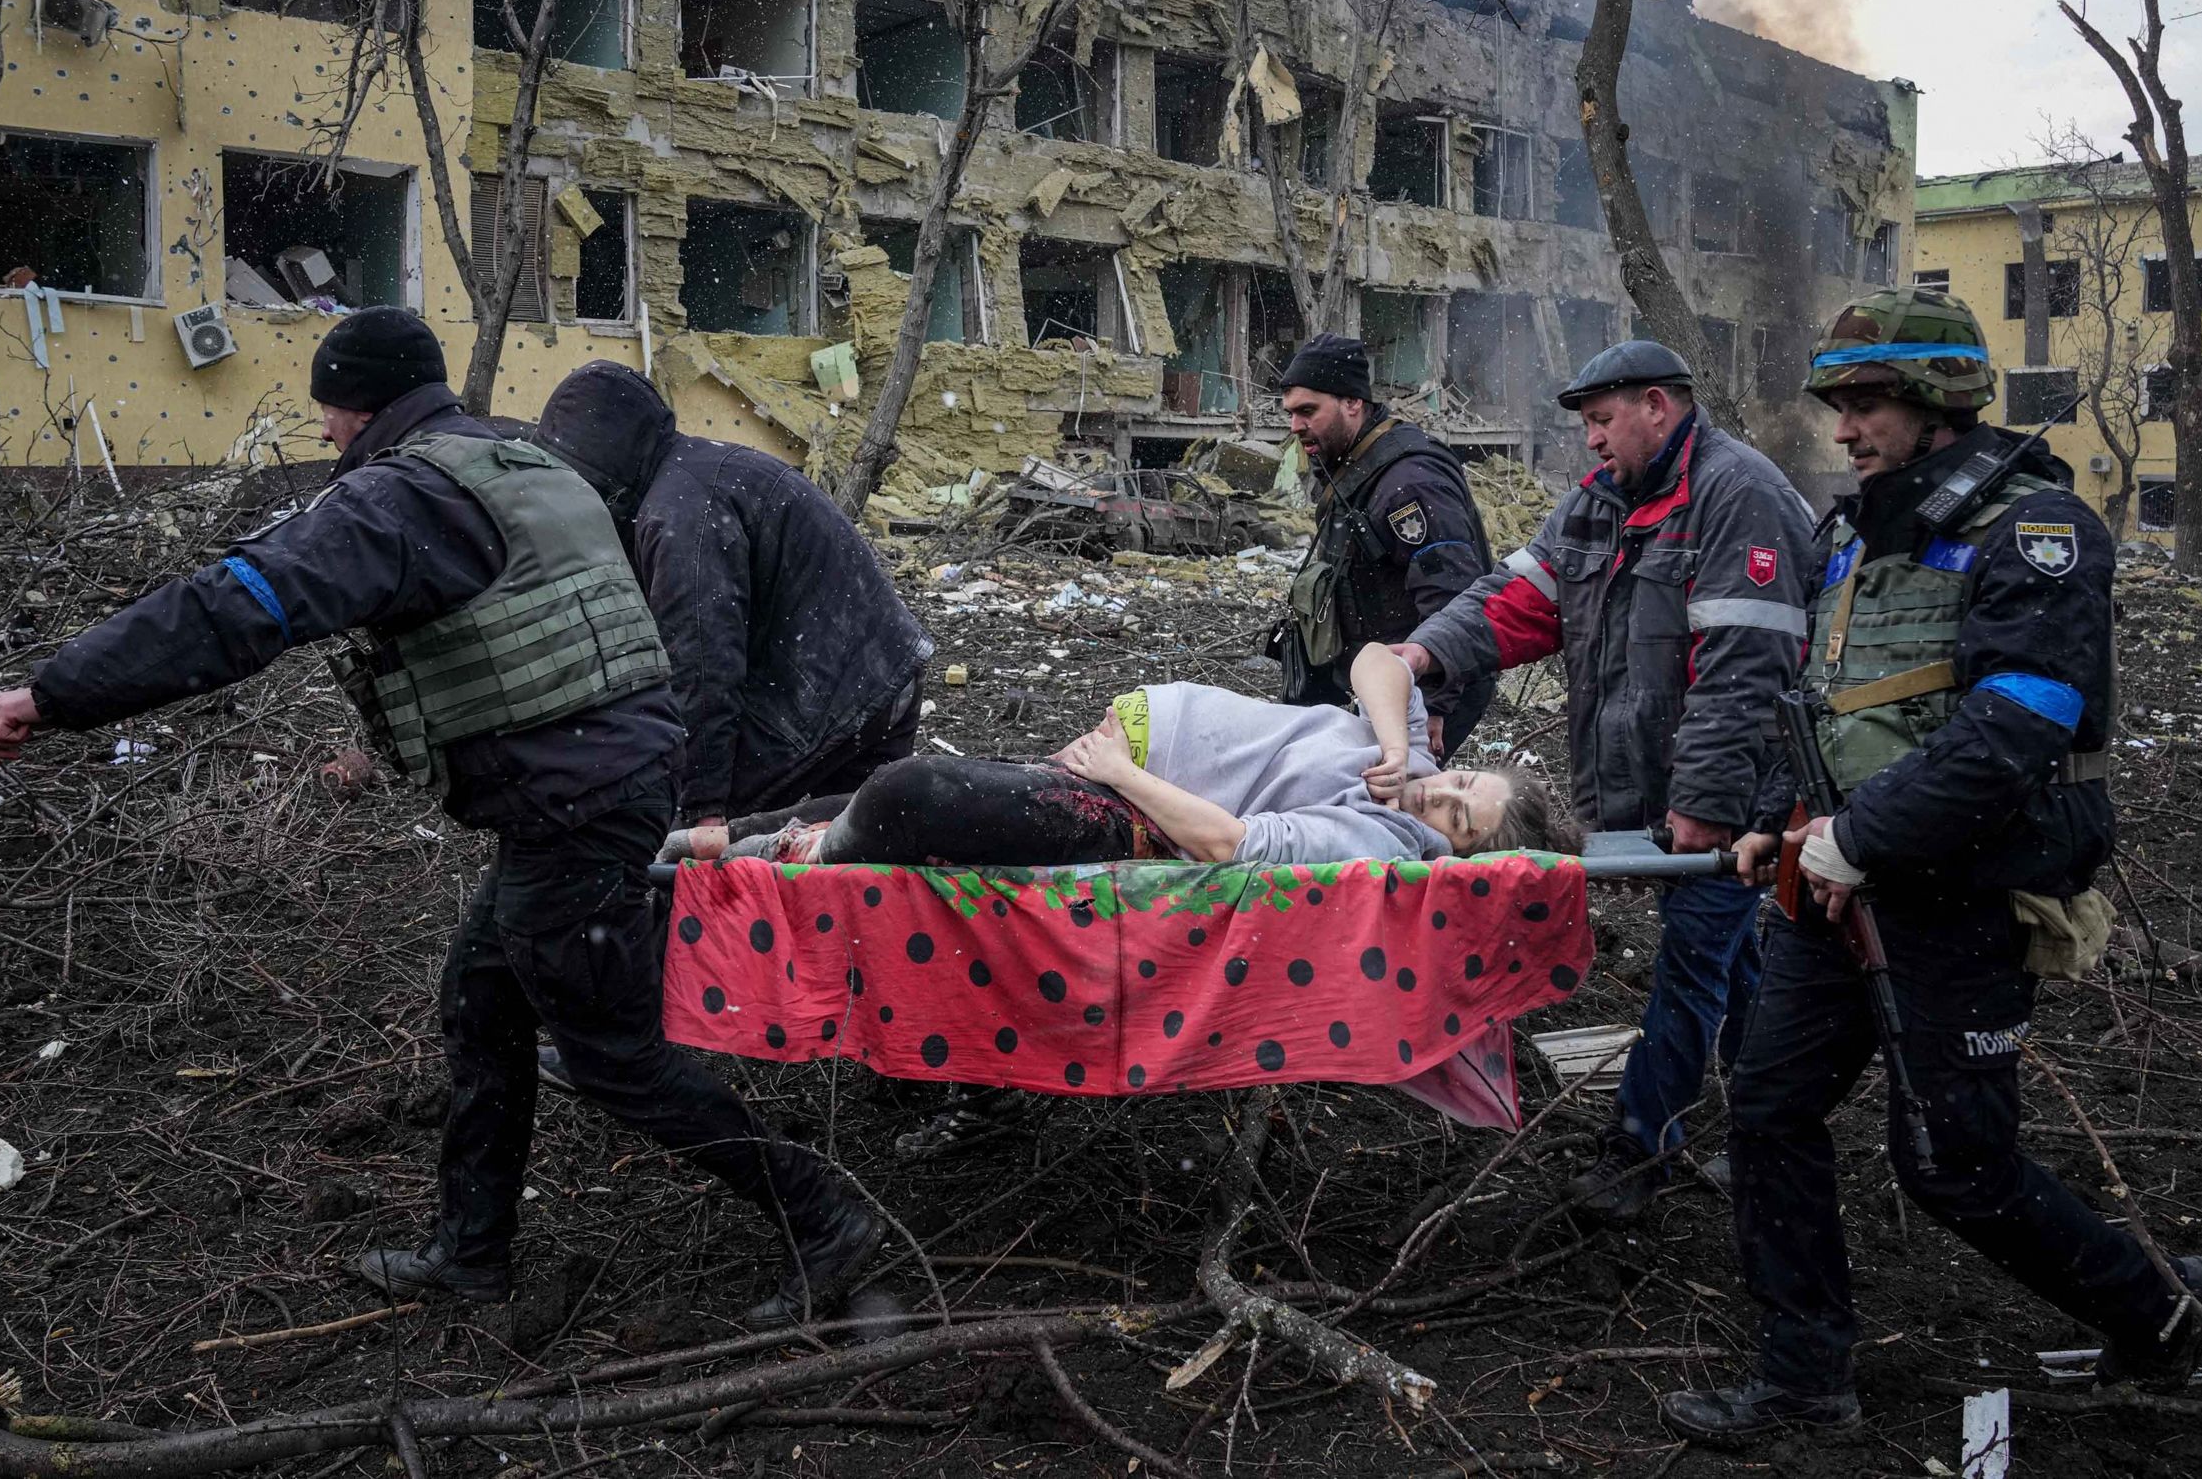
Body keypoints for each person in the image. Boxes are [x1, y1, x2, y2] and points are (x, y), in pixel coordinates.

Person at [0, 311, 880, 1330]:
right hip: (604, 778)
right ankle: (469, 1255)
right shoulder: (516, 454)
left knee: (612, 1053)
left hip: (575, 799)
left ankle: (823, 1216)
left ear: (357, 406)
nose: (321, 433)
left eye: (326, 408)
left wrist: (55, 694)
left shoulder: (400, 497)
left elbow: (236, 607)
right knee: (482, 1001)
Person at [1660, 290, 2202, 1444]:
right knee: (1768, 1108)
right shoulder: (1856, 534)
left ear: (1937, 403)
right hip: (1833, 892)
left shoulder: (2036, 532)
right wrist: (1790, 825)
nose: (1845, 426)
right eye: (1841, 404)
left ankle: (2159, 1322)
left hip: (1957, 898)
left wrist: (1858, 840)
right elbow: (1836, 715)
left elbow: (2017, 724)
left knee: (1953, 1166)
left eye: (1867, 402)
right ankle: (1803, 1386)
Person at [1392, 339, 1813, 1218]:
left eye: (1601, 420)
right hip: (1648, 788)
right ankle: (1772, 1107)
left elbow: (1745, 670)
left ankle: (1638, 1144)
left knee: (1694, 959)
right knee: (1726, 955)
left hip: (1733, 794)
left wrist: (1704, 804)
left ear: (1658, 405)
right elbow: (1515, 600)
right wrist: (1425, 653)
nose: (1589, 441)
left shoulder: (1741, 497)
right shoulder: (1598, 506)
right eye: (1585, 424)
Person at [534, 361, 931, 862]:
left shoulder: (678, 512)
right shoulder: (691, 475)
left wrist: (703, 810)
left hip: (833, 694)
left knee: (690, 850)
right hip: (880, 673)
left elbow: (702, 663)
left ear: (597, 468)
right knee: (852, 861)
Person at [728, 643, 1563, 868]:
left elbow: (1231, 845)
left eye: (1456, 820)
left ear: (1456, 857)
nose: (1434, 800)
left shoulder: (1381, 840)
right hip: (1125, 754)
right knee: (912, 793)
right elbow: (1378, 659)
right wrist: (1395, 743)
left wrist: (1124, 774)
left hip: (1131, 810)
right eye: (1458, 783)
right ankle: (716, 837)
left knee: (910, 793)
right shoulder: (1406, 764)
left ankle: (772, 856)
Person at [1272, 332, 1498, 756]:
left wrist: (1433, 702)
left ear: (1353, 402)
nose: (1295, 426)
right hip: (1378, 678)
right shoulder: (1352, 463)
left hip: (1419, 686)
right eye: (1290, 413)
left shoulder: (1409, 484)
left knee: (1395, 801)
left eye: (1307, 411)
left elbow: (1452, 599)